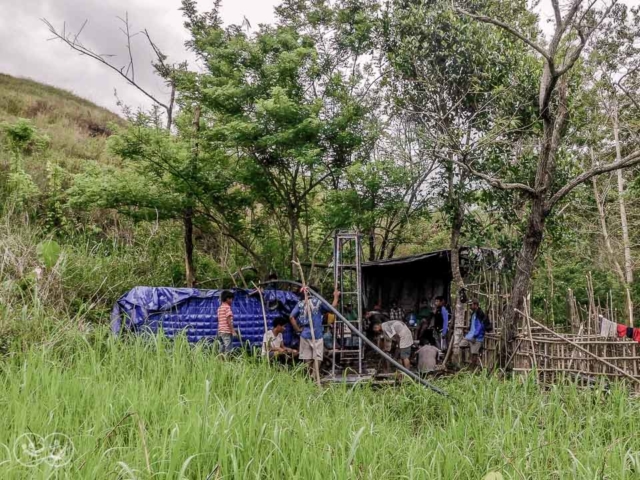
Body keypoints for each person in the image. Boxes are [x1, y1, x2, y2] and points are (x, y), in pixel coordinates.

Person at [290, 287, 341, 378]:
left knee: (307, 357)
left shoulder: (300, 304)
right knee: (318, 356)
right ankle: (314, 375)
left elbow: (291, 317)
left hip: (305, 334)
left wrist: (297, 329)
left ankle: (309, 376)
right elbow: (332, 309)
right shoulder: (318, 302)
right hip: (317, 334)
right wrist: (336, 297)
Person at [459, 299, 486, 367]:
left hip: (477, 337)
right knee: (461, 345)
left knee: (474, 353)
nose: (470, 306)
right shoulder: (473, 313)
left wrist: (475, 335)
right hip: (470, 335)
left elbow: (480, 326)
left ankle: (472, 368)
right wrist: (468, 329)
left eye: (471, 305)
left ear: (476, 305)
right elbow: (473, 324)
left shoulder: (480, 313)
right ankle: (464, 364)